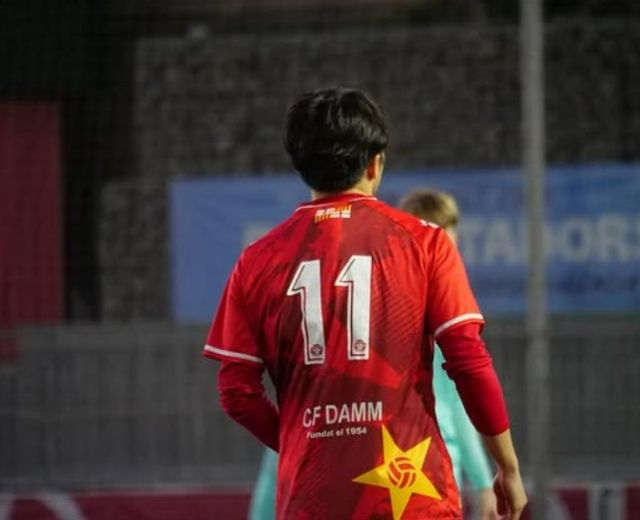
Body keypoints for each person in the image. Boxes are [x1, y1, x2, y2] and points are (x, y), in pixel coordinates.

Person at [203, 87, 527, 519]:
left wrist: (303, 444)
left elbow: (236, 393)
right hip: (412, 494)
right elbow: (468, 361)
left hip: (313, 500)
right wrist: (507, 467)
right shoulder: (426, 243)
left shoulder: (257, 260)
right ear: (375, 164)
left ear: (302, 167)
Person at [399, 189, 498, 520]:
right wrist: (485, 482)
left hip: (395, 469)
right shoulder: (441, 310)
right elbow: (458, 403)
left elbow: (454, 403)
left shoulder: (389, 304)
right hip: (428, 470)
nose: (450, 244)